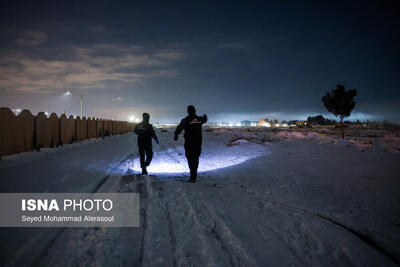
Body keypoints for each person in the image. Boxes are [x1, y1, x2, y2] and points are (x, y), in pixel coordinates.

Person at [174, 105, 207, 183]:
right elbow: (204, 120)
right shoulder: (199, 119)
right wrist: (205, 117)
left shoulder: (186, 120)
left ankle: (192, 176)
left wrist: (176, 134)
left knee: (190, 158)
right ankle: (194, 174)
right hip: (198, 142)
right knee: (196, 158)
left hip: (189, 142)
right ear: (195, 111)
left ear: (188, 111)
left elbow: (180, 127)